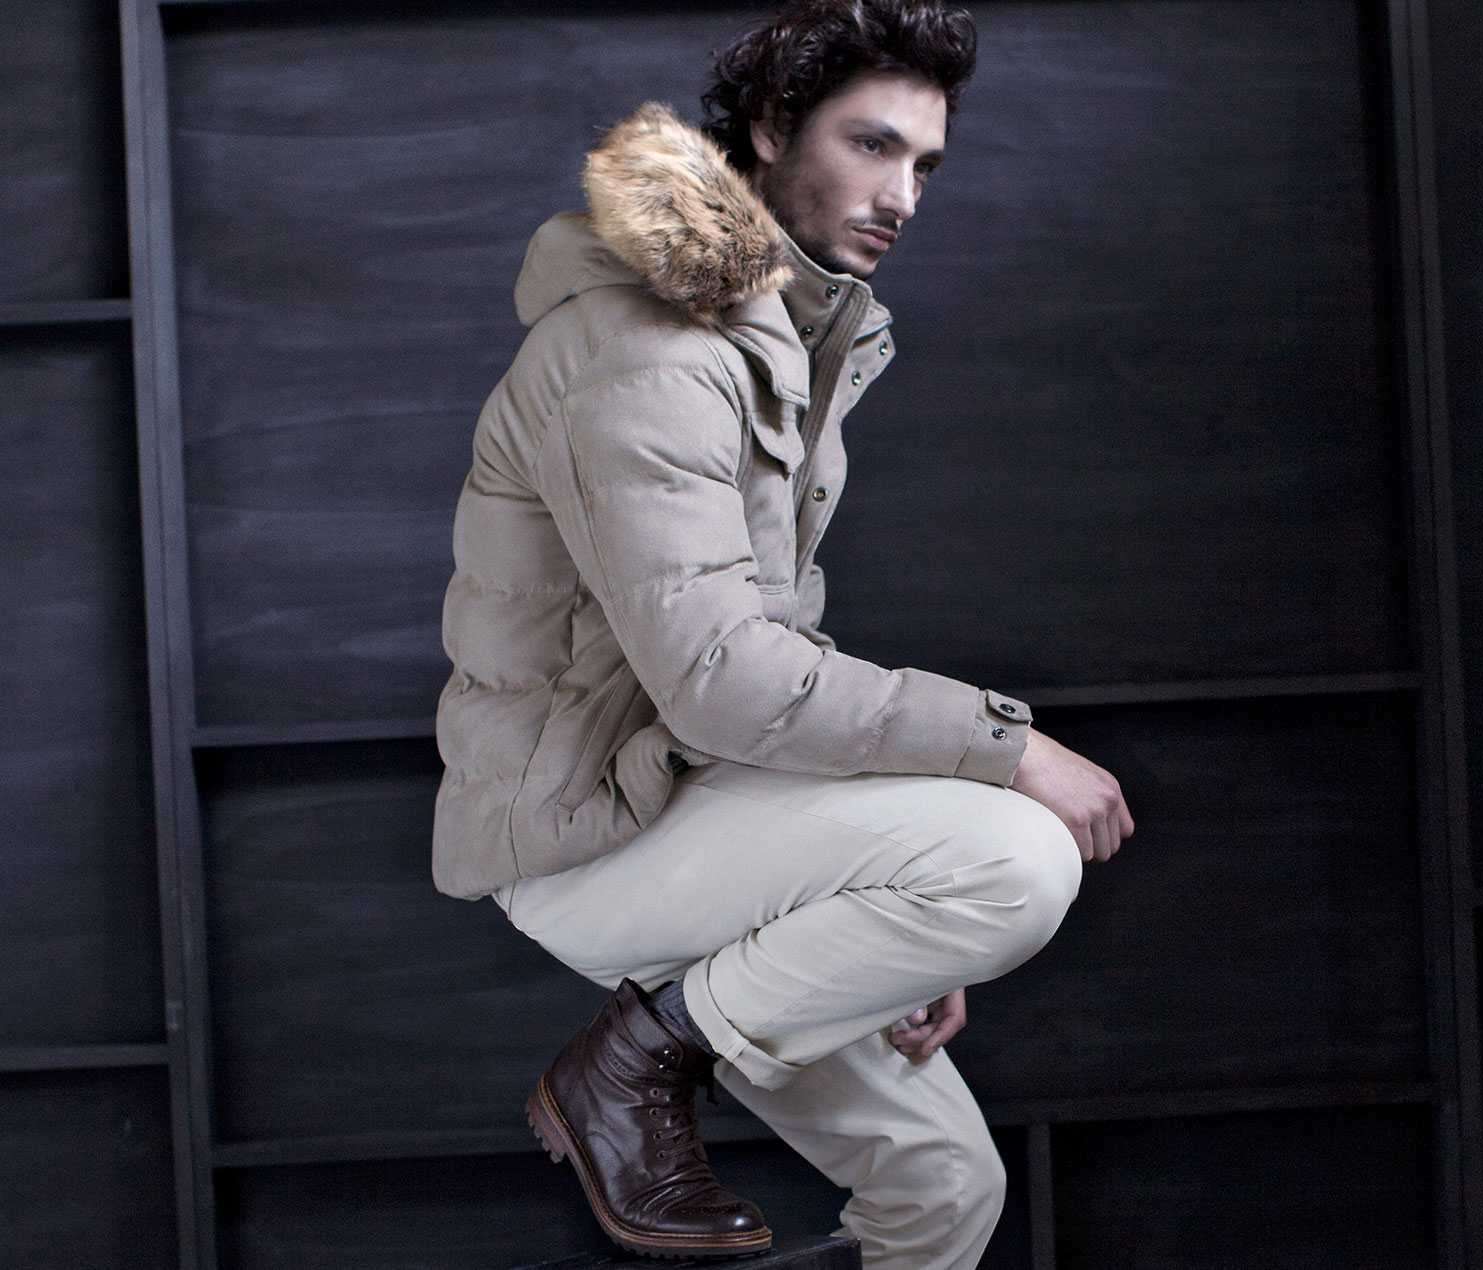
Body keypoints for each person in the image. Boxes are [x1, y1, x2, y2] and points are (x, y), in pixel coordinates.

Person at [431, 1, 1133, 1265]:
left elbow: (755, 661)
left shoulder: (772, 337)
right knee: (1022, 858)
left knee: (943, 1187)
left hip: (695, 802)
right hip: (588, 836)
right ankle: (624, 1070)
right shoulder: (650, 349)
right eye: (871, 146)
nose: (902, 195)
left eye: (924, 164)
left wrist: (886, 914)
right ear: (769, 128)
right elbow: (724, 678)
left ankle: (652, 1050)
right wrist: (1007, 753)